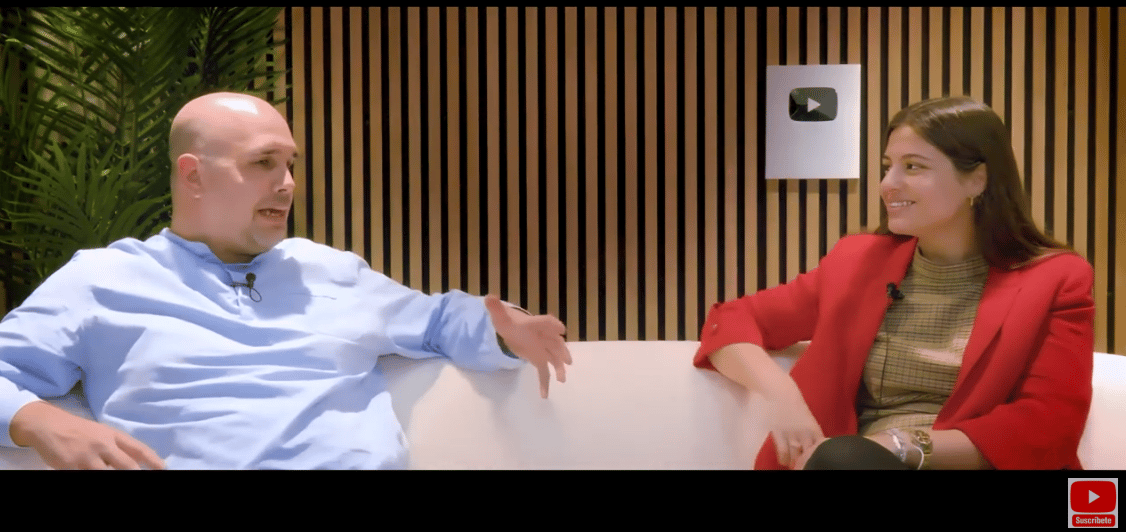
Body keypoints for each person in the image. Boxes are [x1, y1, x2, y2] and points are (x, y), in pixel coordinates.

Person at [0, 92, 572, 469]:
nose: (288, 183)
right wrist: (38, 421)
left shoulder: (332, 270)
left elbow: (441, 320)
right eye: (263, 162)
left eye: (290, 164)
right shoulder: (103, 278)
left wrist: (510, 331)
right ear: (192, 176)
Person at [694, 96, 1094, 470]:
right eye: (888, 166)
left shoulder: (1056, 281)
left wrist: (899, 445)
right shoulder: (857, 263)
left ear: (977, 180)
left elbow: (1048, 423)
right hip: (847, 464)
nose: (888, 183)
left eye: (913, 167)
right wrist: (782, 396)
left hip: (951, 463)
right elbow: (731, 320)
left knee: (844, 459)